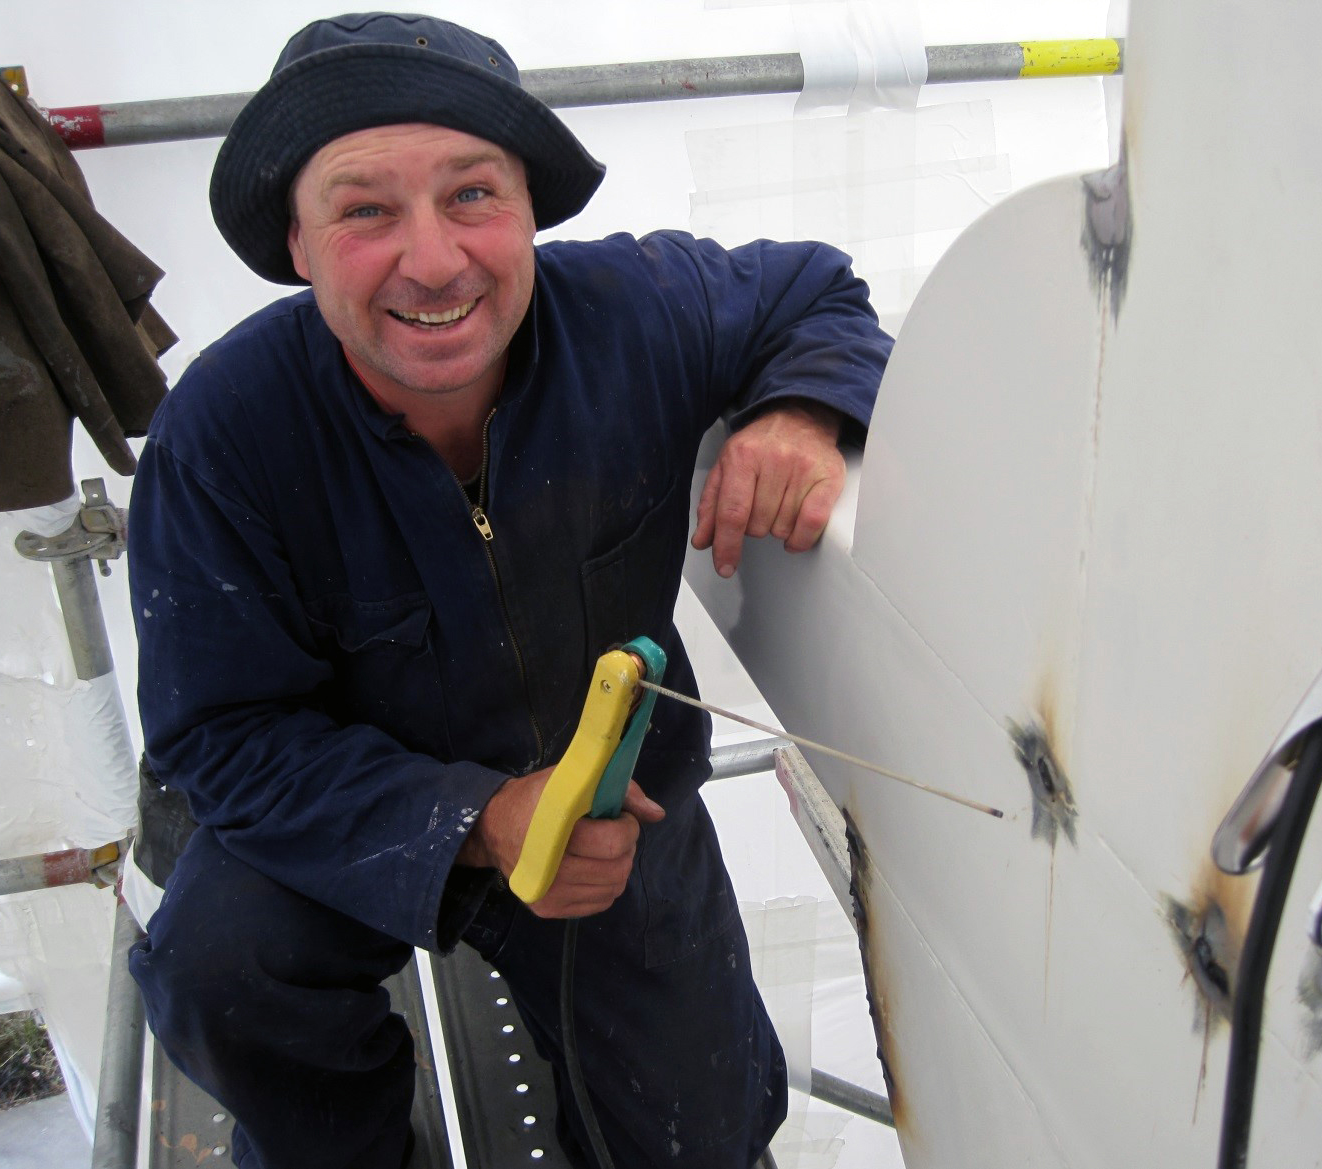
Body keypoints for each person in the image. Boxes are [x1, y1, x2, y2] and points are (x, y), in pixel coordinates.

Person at [126, 13, 891, 1169]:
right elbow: (222, 735)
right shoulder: (220, 434)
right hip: (340, 819)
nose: (432, 261)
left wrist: (800, 410)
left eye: (472, 194)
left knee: (702, 1134)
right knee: (215, 965)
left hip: (609, 819)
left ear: (533, 205)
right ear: (296, 240)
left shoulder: (640, 310)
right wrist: (476, 818)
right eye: (365, 208)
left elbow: (817, 294)